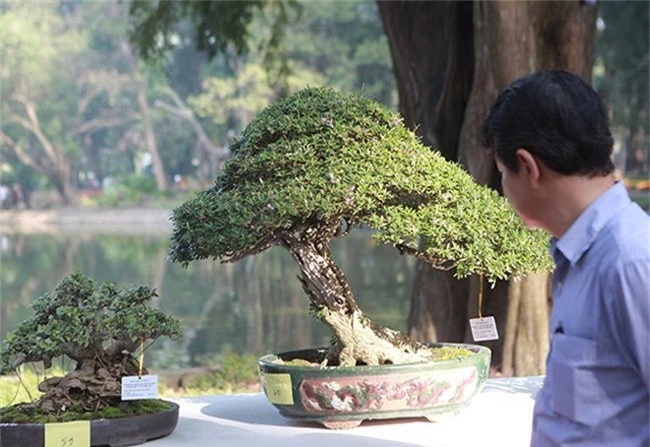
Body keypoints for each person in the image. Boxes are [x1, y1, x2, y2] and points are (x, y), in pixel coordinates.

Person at [481, 70, 649, 446]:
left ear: (528, 167)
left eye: (504, 173)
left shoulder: (631, 262)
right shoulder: (578, 257)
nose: (504, 187)